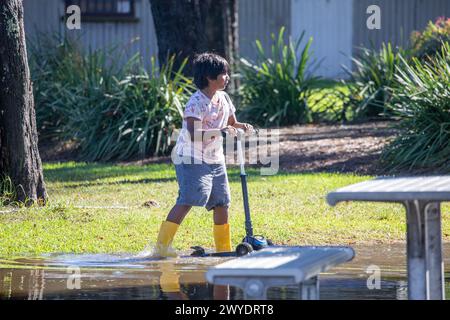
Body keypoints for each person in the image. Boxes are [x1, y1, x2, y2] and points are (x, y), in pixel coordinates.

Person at [153, 52, 253, 257]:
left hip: (215, 159)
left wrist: (243, 126)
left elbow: (232, 123)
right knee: (189, 199)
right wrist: (221, 131)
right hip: (191, 157)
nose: (227, 77)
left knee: (222, 202)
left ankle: (223, 249)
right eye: (223, 74)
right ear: (209, 76)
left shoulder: (224, 98)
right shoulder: (196, 103)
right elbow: (194, 134)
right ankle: (162, 247)